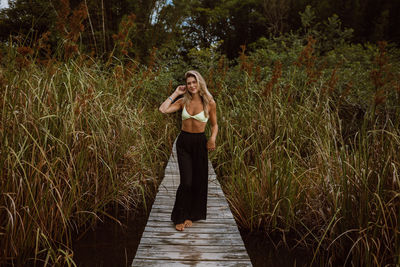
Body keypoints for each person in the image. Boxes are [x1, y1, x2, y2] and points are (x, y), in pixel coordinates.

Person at [159, 70, 218, 231]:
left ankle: (191, 215)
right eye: (189, 83)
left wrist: (212, 138)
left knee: (198, 180)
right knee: (186, 181)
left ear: (200, 83)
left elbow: (214, 125)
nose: (191, 85)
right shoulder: (183, 101)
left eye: (194, 82)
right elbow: (163, 109)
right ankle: (180, 216)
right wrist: (176, 92)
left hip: (200, 142)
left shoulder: (209, 102)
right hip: (184, 142)